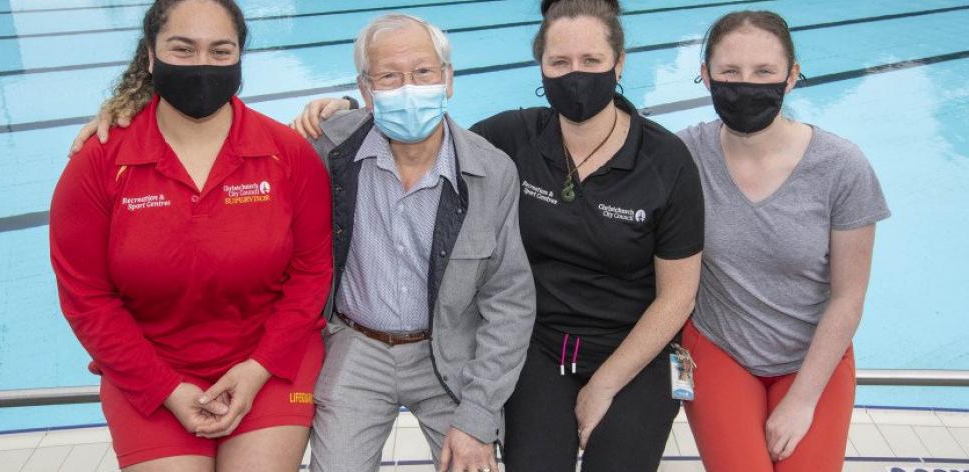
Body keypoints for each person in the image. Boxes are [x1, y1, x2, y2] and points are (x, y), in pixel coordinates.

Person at [68, 1, 699, 471]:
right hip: (355, 347)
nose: (408, 89)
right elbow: (229, 139)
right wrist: (120, 118)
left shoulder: (491, 166)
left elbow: (509, 301)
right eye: (387, 78)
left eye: (423, 72)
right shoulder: (323, 149)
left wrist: (478, 420)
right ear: (366, 91)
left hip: (447, 349)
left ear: (448, 81)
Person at [295, 1, 703, 470]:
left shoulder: (662, 159)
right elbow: (420, 136)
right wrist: (349, 109)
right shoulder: (511, 138)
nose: (576, 76)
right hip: (519, 348)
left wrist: (604, 384)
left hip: (602, 348)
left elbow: (677, 295)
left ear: (619, 63)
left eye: (591, 61)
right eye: (559, 62)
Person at [49, 0, 332, 470]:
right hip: (148, 370)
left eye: (221, 51)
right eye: (183, 49)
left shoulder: (286, 155)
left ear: (240, 57)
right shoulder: (99, 163)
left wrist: (259, 367)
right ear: (150, 56)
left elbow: (311, 272)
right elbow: (86, 297)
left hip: (271, 359)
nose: (203, 65)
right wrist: (164, 388)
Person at [675, 10, 890, 471]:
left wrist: (802, 401)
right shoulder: (684, 155)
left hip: (813, 356)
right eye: (730, 72)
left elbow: (849, 298)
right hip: (719, 346)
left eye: (764, 72)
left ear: (791, 77)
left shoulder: (841, 167)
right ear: (705, 76)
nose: (745, 85)